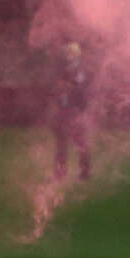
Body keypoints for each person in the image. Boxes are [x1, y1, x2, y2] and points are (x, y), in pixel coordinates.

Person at [51, 42, 92, 181]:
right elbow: (60, 91)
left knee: (79, 141)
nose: (66, 57)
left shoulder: (80, 71)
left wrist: (64, 87)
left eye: (69, 54)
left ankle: (84, 172)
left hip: (75, 111)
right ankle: (60, 172)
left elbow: (76, 88)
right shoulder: (66, 71)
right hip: (64, 110)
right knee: (62, 142)